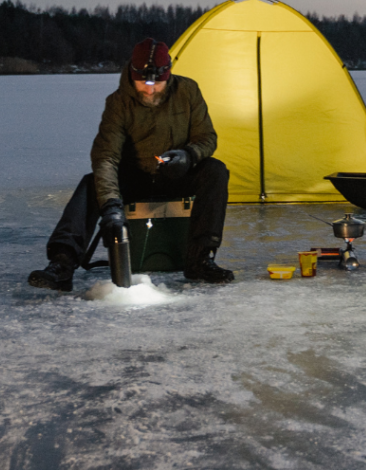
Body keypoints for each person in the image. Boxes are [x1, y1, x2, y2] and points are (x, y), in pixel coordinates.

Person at [28, 37, 234, 291]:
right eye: (143, 84)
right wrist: (112, 205)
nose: (149, 90)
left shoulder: (188, 91)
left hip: (176, 175)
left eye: (157, 83)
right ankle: (62, 262)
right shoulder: (118, 103)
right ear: (132, 74)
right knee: (92, 183)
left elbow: (207, 138)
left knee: (215, 171)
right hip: (135, 178)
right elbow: (106, 157)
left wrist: (188, 156)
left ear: (167, 76)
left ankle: (201, 259)